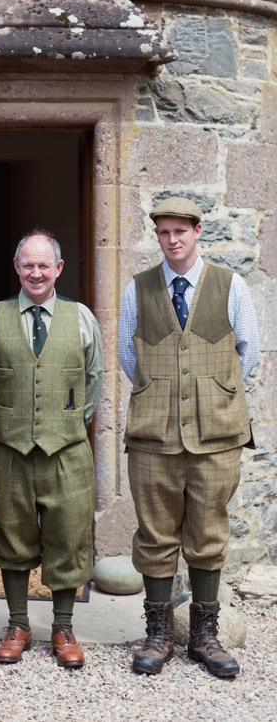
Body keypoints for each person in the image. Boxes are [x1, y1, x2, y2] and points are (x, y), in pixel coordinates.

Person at [118, 197, 258, 678]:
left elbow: (249, 353)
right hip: (153, 437)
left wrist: (210, 395)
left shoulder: (230, 285)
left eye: (181, 231)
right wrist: (164, 393)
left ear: (198, 231)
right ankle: (158, 636)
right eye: (163, 233)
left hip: (217, 437)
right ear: (157, 236)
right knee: (155, 535)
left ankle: (204, 636)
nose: (172, 240)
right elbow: (126, 355)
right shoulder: (138, 289)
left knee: (208, 534)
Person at [0, 231, 103, 668]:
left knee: (68, 539)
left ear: (58, 269)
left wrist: (67, 423)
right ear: (17, 267)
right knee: (11, 537)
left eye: (44, 265)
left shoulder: (82, 317)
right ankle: (17, 623)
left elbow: (93, 381)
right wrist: (9, 418)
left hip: (67, 451)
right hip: (8, 449)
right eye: (27, 265)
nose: (36, 273)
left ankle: (63, 625)